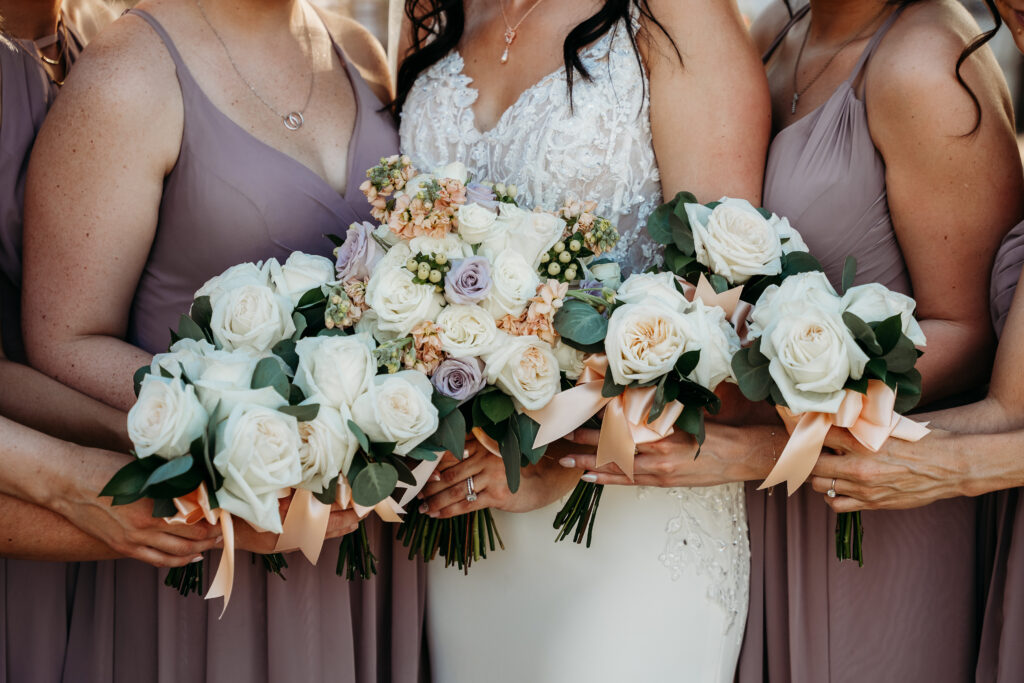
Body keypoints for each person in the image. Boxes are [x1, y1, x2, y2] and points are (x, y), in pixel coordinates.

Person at [568, 1, 1024, 680]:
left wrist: (789, 410)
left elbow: (972, 335)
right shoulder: (776, 31)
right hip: (761, 495)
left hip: (876, 514)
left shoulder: (926, 63)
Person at [20, 1, 424, 680]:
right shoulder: (128, 76)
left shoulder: (359, 51)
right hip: (215, 553)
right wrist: (251, 434)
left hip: (366, 535)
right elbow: (63, 342)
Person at [398, 0, 770, 680]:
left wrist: (550, 456)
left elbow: (721, 299)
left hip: (624, 502)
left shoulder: (674, 13)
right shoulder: (431, 8)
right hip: (463, 518)